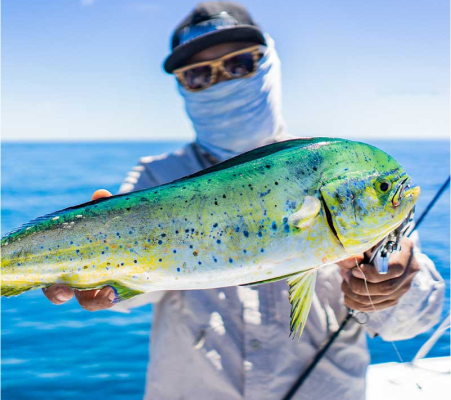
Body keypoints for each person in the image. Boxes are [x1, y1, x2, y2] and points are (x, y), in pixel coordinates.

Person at [43, 2, 445, 399]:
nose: (222, 83)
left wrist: (394, 284)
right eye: (199, 74)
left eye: (239, 66)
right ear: (182, 87)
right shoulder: (156, 178)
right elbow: (135, 294)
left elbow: (411, 322)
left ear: (268, 65)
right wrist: (102, 280)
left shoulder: (336, 172)